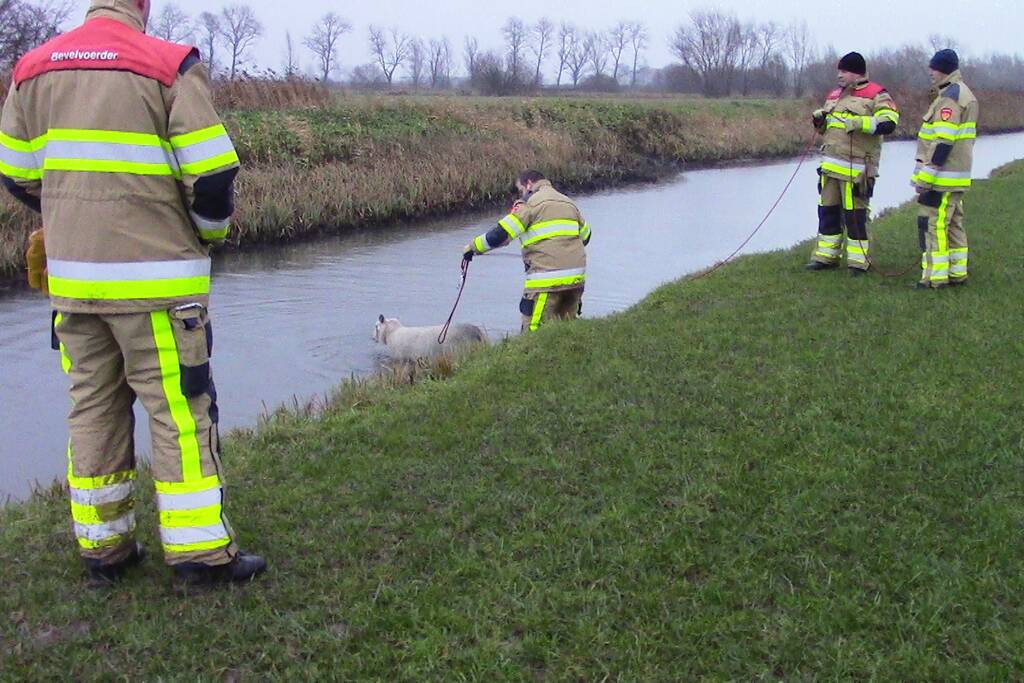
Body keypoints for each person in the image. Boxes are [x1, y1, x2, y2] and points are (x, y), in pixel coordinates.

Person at [0, 0, 265, 586]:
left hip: (72, 287)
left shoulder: (31, 69)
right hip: (159, 288)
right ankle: (200, 557)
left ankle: (105, 552)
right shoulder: (167, 65)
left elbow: (16, 172)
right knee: (179, 414)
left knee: (91, 409)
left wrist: (66, 215)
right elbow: (214, 174)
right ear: (141, 4)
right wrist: (207, 237)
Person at [806, 52, 900, 276]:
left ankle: (859, 263)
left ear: (856, 72)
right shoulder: (834, 95)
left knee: (855, 216)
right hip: (830, 168)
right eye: (838, 71)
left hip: (857, 169)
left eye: (844, 71)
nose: (839, 75)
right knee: (827, 212)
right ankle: (826, 257)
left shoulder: (877, 94)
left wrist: (860, 122)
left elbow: (890, 123)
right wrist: (820, 122)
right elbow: (827, 130)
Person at [464, 170, 591, 332]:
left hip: (546, 282)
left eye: (521, 189)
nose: (521, 193)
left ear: (529, 184)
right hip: (576, 281)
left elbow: (501, 234)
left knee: (534, 334)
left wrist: (472, 248)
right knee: (567, 332)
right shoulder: (568, 203)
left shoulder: (529, 204)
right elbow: (586, 237)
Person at [912, 49, 978, 289]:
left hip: (944, 176)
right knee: (953, 224)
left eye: (934, 68)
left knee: (936, 224)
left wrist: (925, 178)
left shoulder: (950, 97)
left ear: (945, 69)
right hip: (957, 175)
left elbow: (943, 142)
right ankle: (957, 272)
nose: (930, 72)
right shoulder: (961, 93)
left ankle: (935, 278)